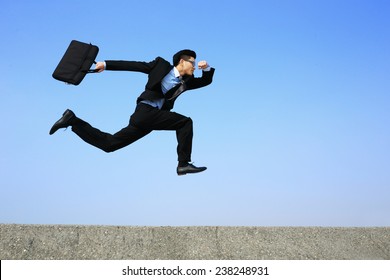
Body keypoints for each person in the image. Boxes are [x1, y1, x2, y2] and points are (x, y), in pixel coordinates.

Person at [49, 49, 215, 175]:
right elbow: (134, 65)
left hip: (150, 118)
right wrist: (105, 65)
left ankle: (73, 121)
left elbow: (206, 81)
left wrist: (206, 68)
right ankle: (183, 163)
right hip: (145, 112)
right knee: (185, 122)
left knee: (110, 144)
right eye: (192, 62)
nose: (194, 66)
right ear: (181, 61)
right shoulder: (160, 65)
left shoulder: (186, 81)